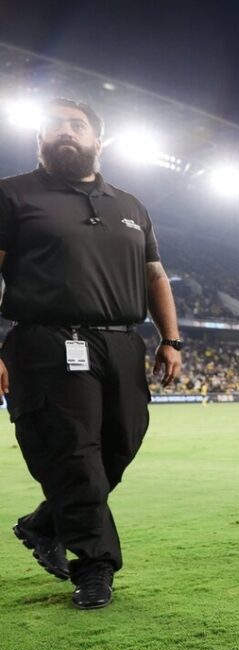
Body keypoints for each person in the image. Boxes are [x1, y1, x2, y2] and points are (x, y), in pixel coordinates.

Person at [1, 97, 182, 609]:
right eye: (54, 125)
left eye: (76, 125)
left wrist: (171, 339)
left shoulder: (131, 206)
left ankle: (45, 523)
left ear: (97, 141)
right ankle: (95, 566)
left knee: (122, 441)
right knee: (75, 453)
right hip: (48, 341)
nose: (65, 131)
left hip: (122, 341)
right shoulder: (12, 195)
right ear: (39, 139)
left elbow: (154, 275)